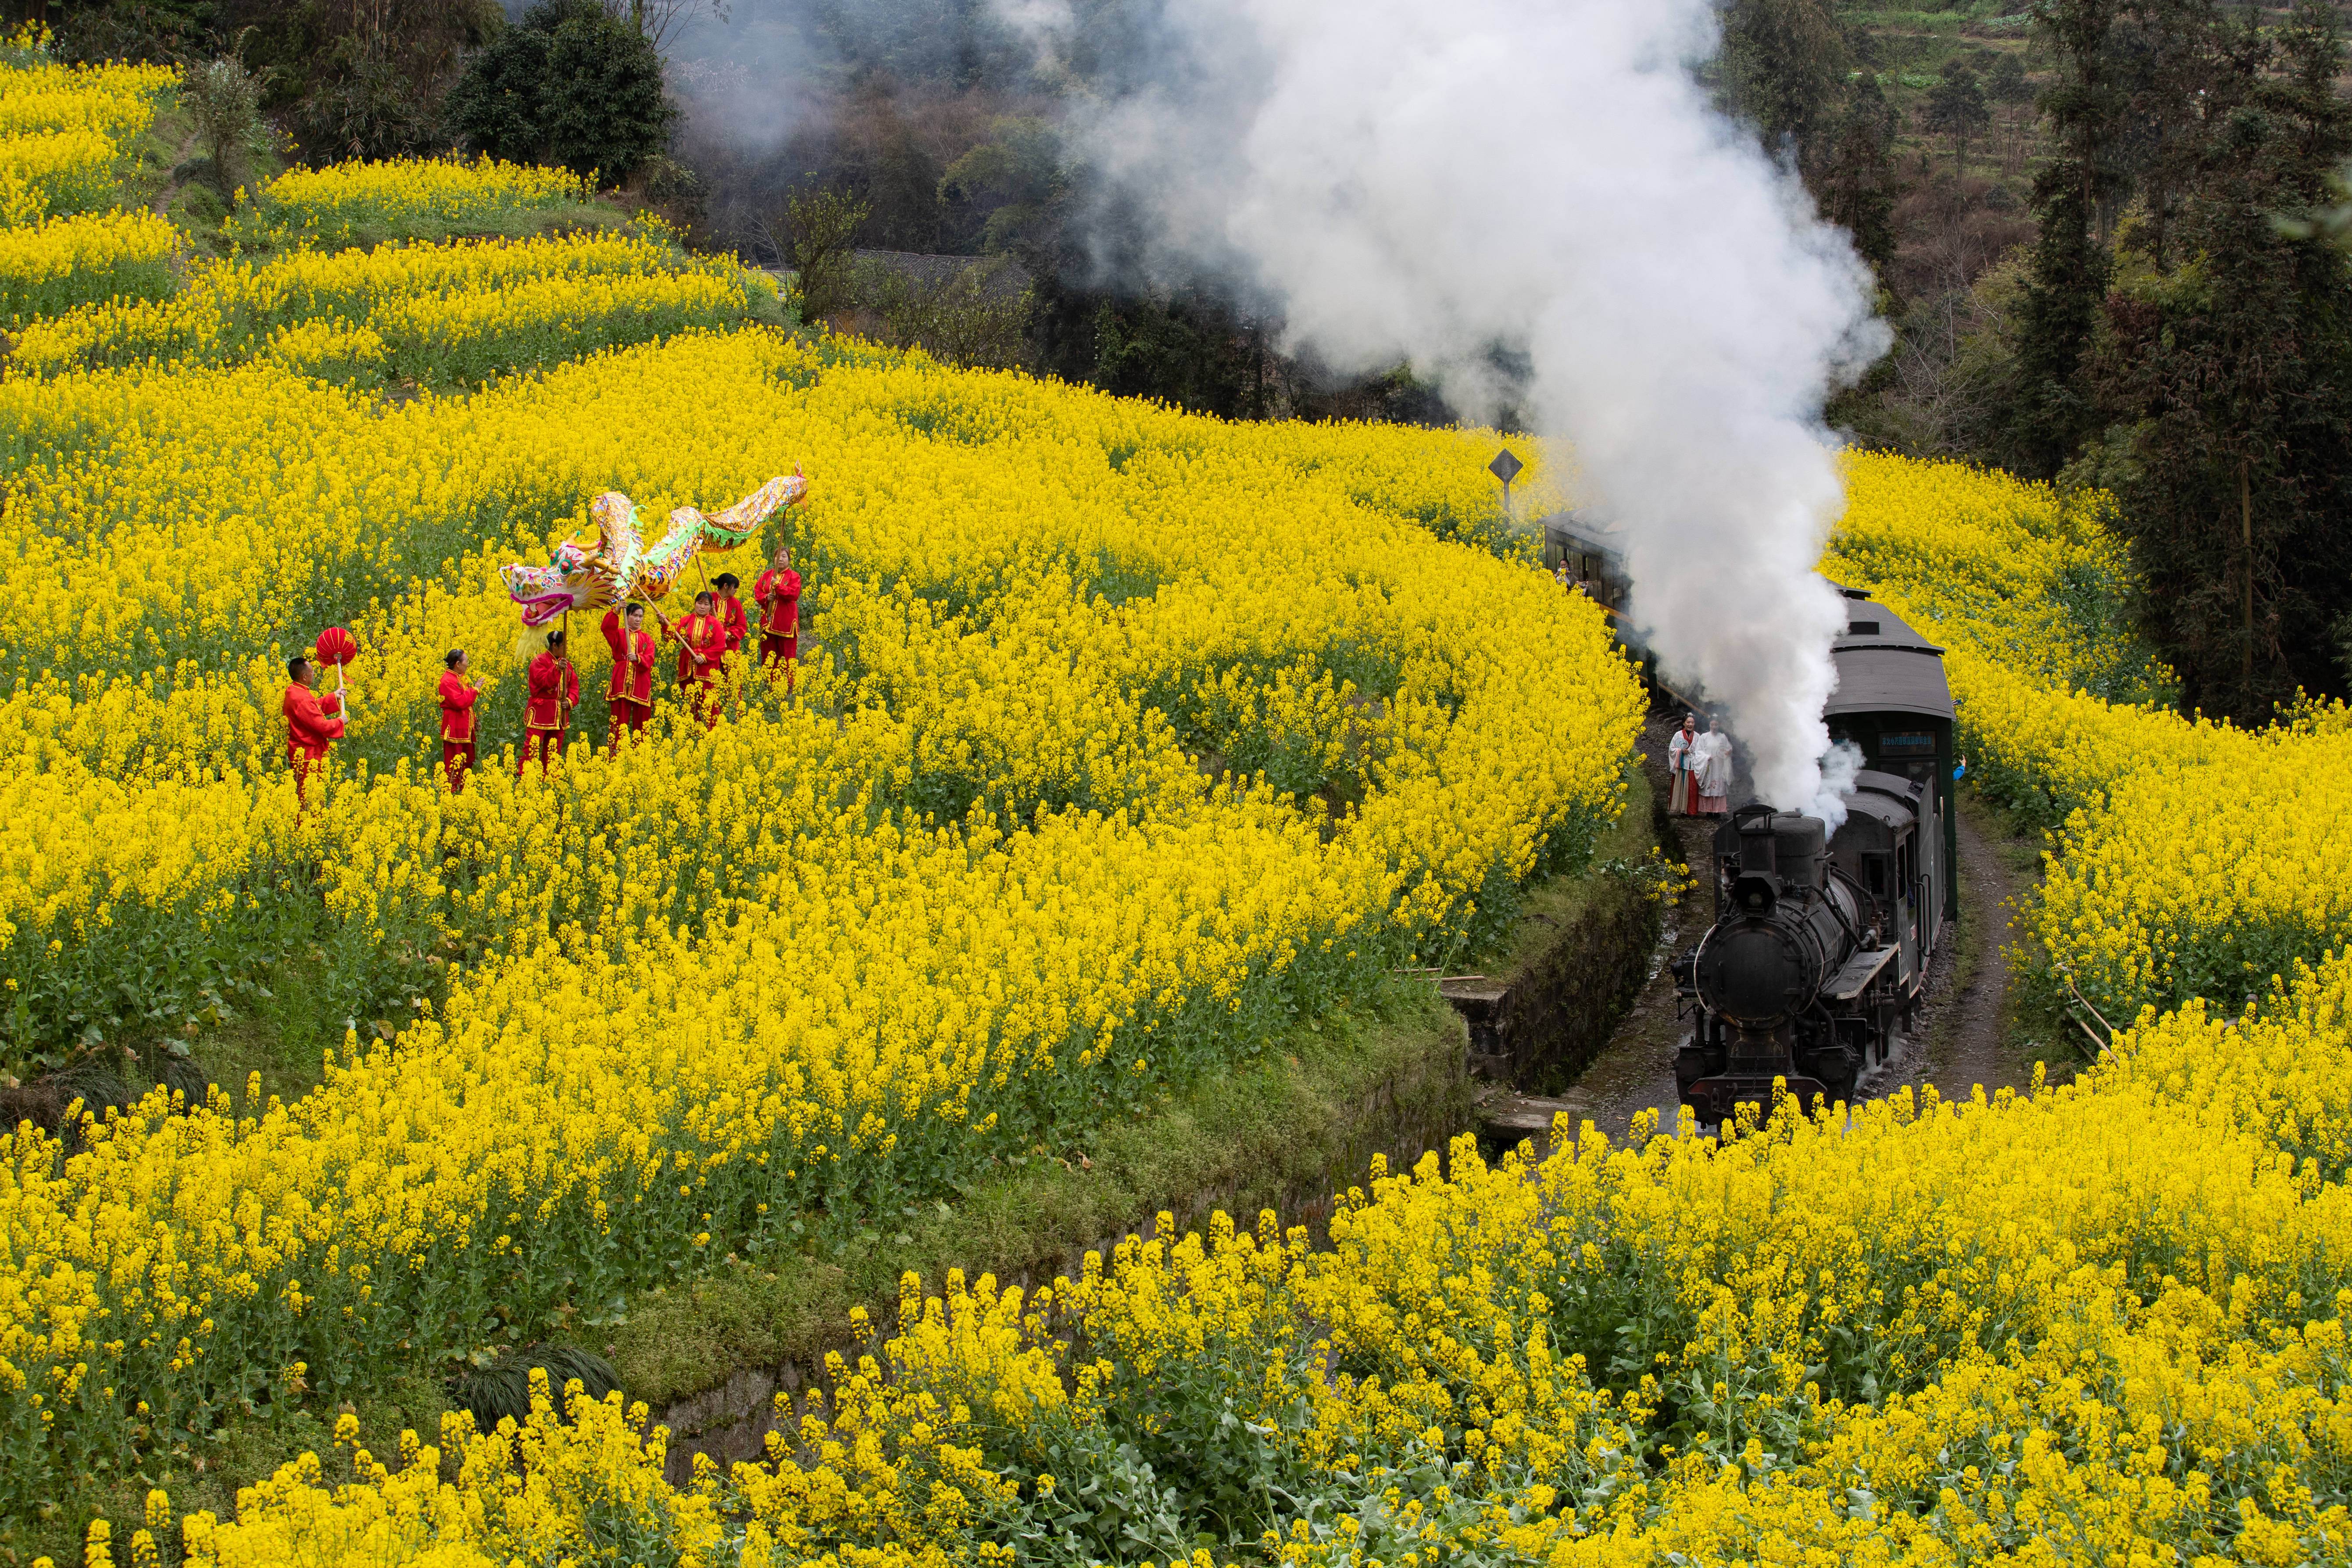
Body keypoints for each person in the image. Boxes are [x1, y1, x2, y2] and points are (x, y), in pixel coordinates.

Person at [283, 654, 347, 816]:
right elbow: (321, 726)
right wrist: (341, 721)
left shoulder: (295, 690)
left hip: (303, 752)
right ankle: (308, 830)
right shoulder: (301, 698)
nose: (314, 674)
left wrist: (334, 696)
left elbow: (314, 708)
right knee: (309, 797)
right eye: (312, 672)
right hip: (307, 755)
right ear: (304, 677)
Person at [662, 590, 730, 728]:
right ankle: (688, 730)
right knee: (689, 701)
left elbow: (720, 645)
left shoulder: (715, 623)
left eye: (706, 604)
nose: (702, 607)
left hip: (708, 669)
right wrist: (664, 623)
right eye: (699, 603)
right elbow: (671, 637)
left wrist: (704, 657)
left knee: (709, 702)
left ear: (711, 607)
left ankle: (712, 732)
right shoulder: (685, 621)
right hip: (688, 667)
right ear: (695, 604)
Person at [519, 628, 580, 777]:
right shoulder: (539, 661)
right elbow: (545, 683)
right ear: (554, 646)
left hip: (559, 714)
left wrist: (570, 701)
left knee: (554, 749)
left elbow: (574, 686)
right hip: (541, 711)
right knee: (532, 747)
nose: (567, 648)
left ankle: (551, 778)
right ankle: (525, 776)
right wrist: (557, 670)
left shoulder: (566, 664)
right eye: (564, 645)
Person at [602, 603, 658, 751]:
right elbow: (606, 628)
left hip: (641, 680)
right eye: (635, 616)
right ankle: (616, 753)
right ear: (627, 617)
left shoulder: (647, 638)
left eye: (641, 616)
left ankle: (641, 754)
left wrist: (638, 658)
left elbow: (650, 658)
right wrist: (617, 610)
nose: (638, 619)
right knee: (619, 720)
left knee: (642, 721)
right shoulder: (619, 634)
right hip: (622, 681)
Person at [754, 545, 803, 692]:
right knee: (768, 652)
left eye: (784, 557)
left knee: (787, 654)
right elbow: (758, 592)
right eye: (778, 556)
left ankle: (788, 686)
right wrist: (765, 597)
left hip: (785, 621)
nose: (780, 559)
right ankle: (769, 683)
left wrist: (778, 587)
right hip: (768, 621)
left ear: (789, 560)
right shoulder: (766, 575)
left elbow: (793, 594)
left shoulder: (794, 576)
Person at [437, 649, 479, 794]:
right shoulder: (447, 681)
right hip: (455, 726)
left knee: (468, 759)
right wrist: (475, 690)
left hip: (465, 726)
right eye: (466, 662)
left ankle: (465, 790)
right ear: (458, 664)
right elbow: (460, 702)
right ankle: (451, 791)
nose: (468, 665)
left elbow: (467, 704)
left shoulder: (460, 677)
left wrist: (475, 720)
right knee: (454, 761)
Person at [1689, 718, 1734, 816]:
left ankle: (1717, 811)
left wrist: (1728, 752)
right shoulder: (1704, 737)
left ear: (1719, 726)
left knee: (1719, 786)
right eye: (1712, 724)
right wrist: (1706, 757)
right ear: (1710, 725)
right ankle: (1709, 811)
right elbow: (1699, 751)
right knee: (1708, 786)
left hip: (1719, 765)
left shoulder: (1722, 737)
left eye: (1716, 725)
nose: (1714, 727)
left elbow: (1728, 748)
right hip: (1708, 765)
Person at [713, 572, 750, 662]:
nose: (736, 590)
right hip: (711, 645)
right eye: (735, 587)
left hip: (730, 646)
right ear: (725, 586)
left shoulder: (736, 604)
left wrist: (727, 635)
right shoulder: (709, 599)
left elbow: (742, 626)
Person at [1666, 714, 1698, 816]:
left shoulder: (1697, 736)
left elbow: (1701, 751)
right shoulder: (1678, 735)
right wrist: (1680, 751)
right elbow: (1672, 749)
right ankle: (1680, 809)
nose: (1690, 724)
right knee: (1681, 787)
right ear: (1684, 723)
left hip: (1693, 764)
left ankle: (1691, 811)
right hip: (1682, 764)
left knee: (1692, 789)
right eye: (1688, 722)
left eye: (1692, 723)